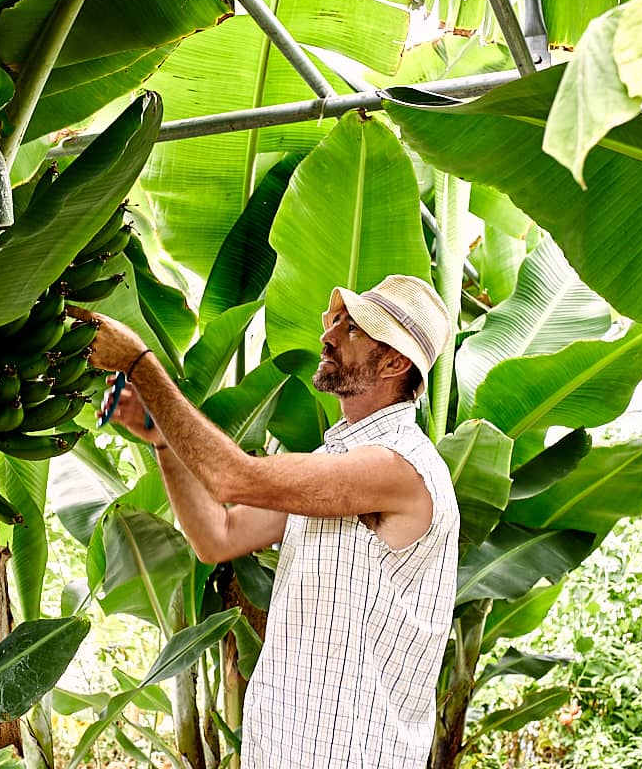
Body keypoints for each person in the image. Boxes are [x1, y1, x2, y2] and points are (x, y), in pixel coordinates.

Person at [72, 274, 460, 769]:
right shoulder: (335, 459)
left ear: (394, 362)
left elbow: (233, 478)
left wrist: (139, 364)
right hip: (280, 746)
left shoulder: (401, 467)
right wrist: (161, 439)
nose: (329, 336)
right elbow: (219, 536)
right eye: (335, 321)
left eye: (353, 329)